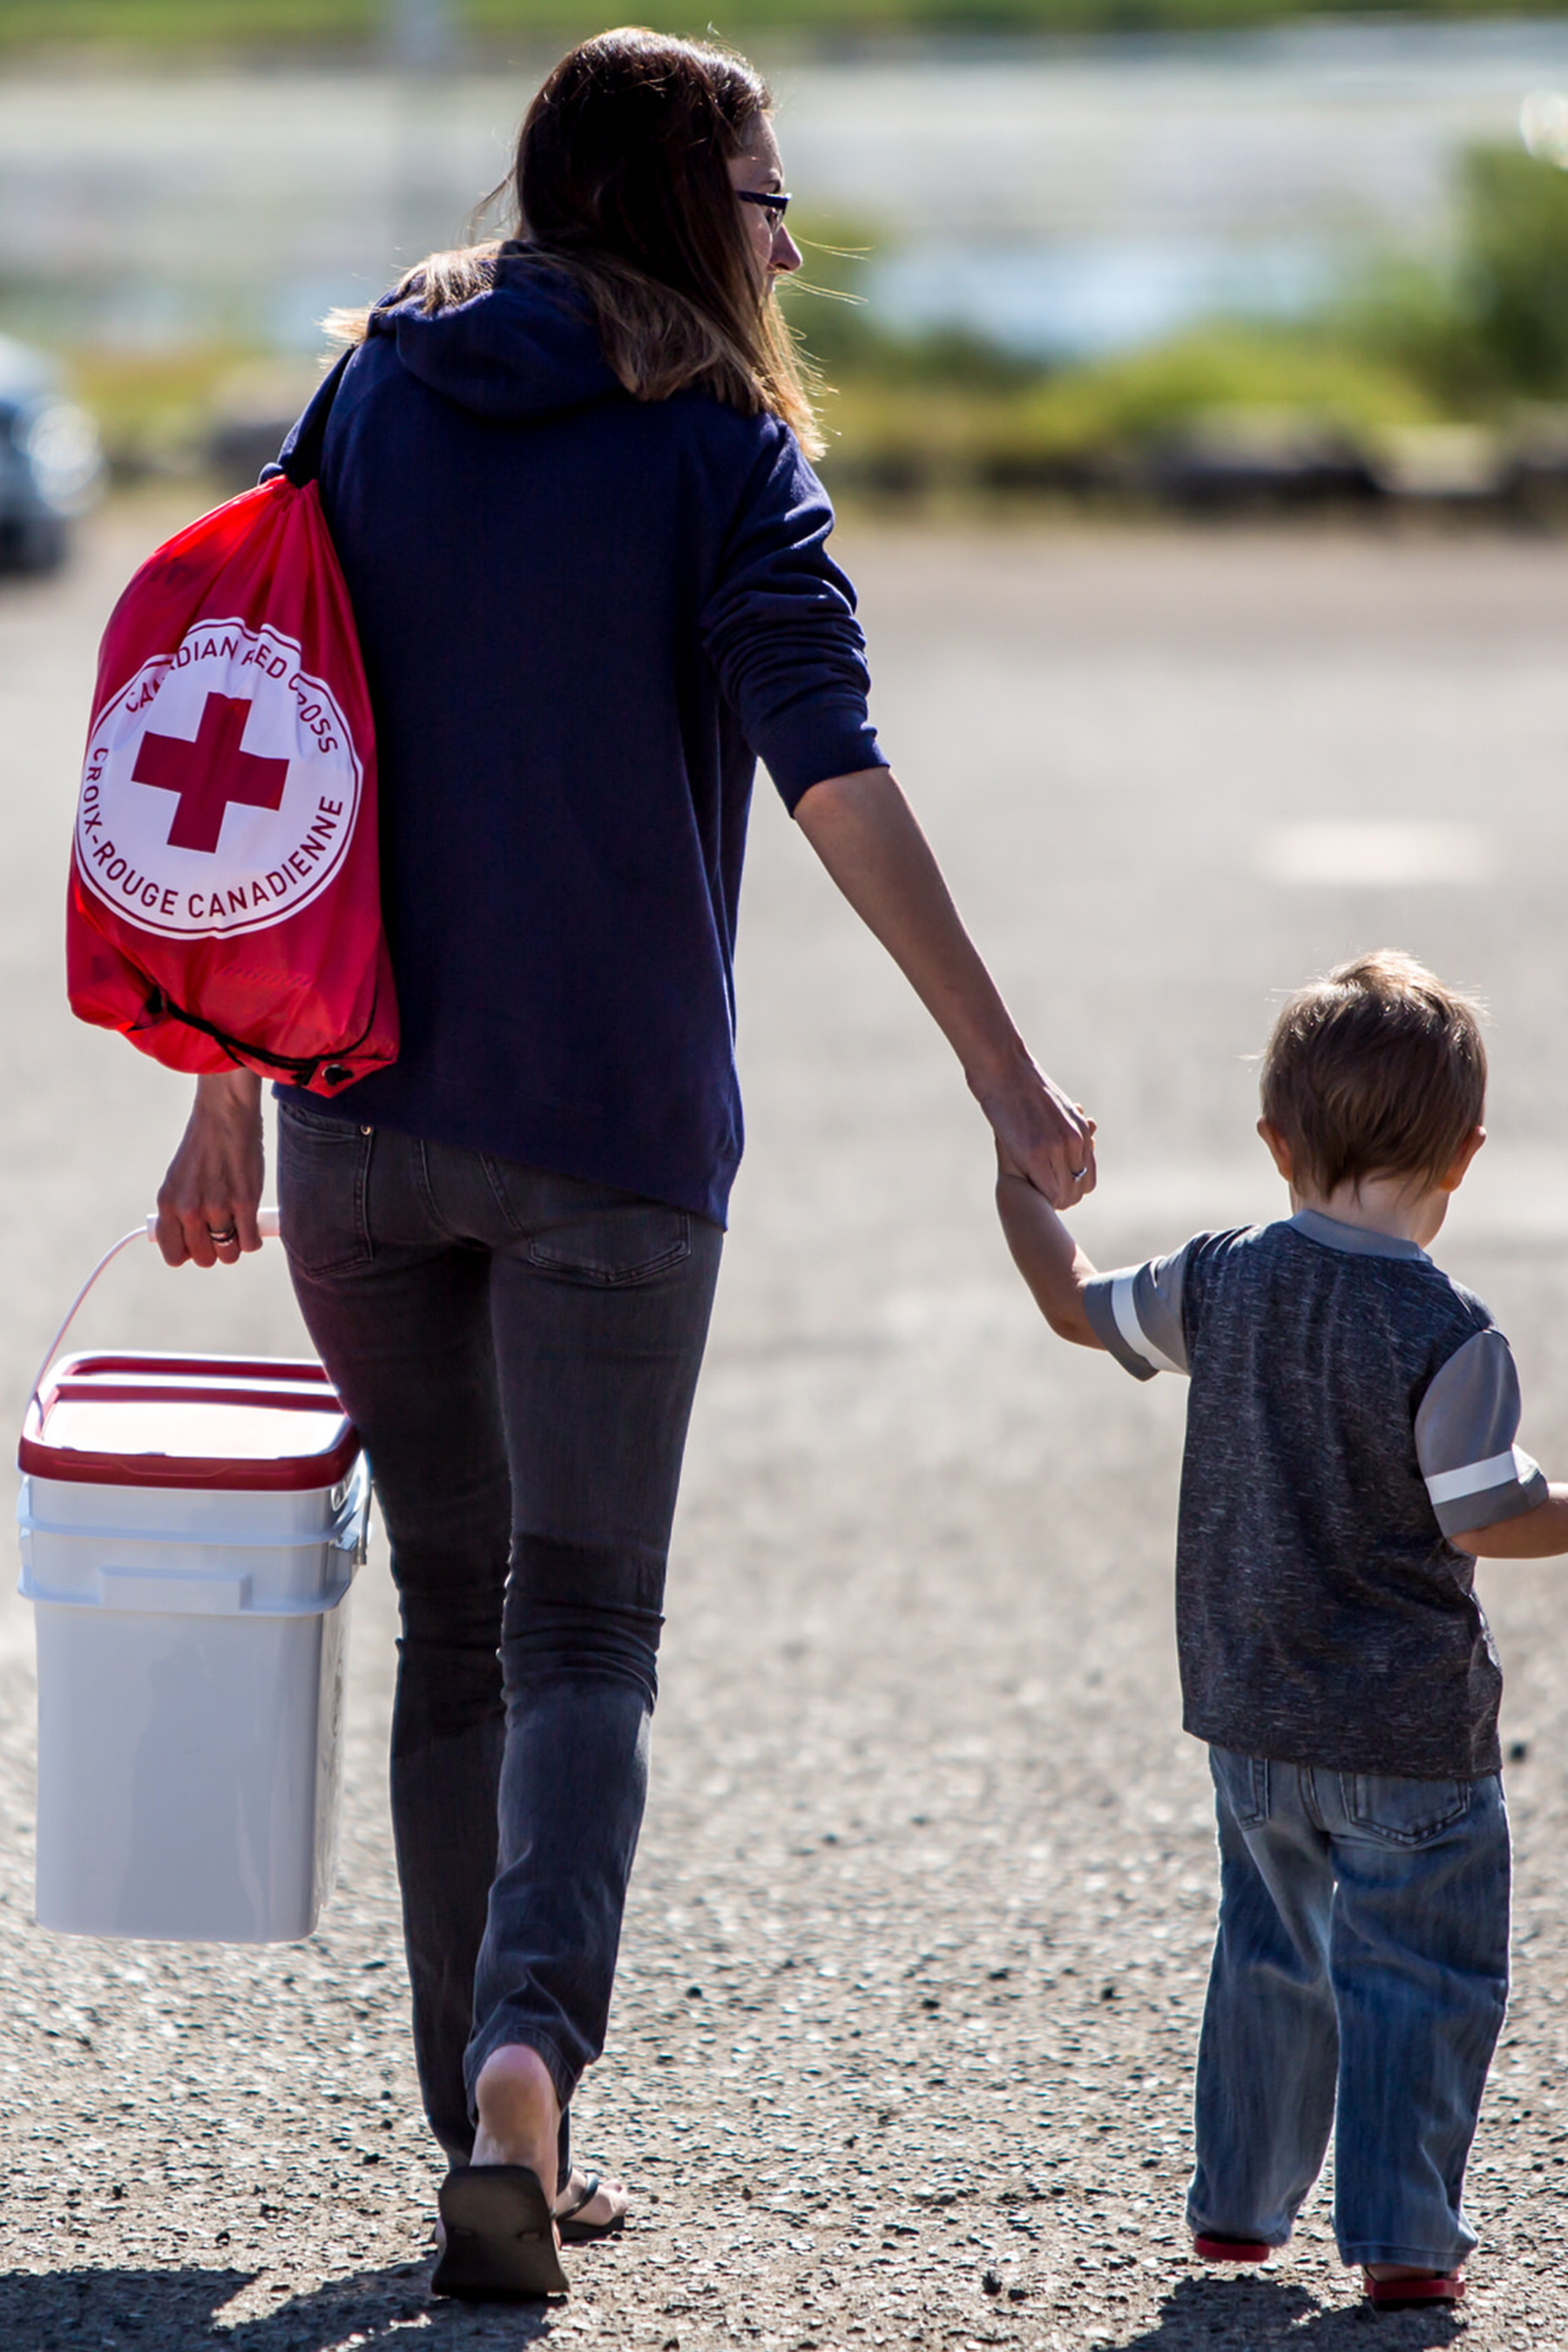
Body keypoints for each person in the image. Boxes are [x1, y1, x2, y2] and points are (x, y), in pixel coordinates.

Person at [153, 26, 1096, 2301]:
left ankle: (479, 2112)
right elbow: (832, 766)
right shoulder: (719, 445)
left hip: (354, 1120)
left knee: (456, 1626)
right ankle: (522, 2076)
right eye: (765, 194)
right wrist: (1006, 1076)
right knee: (582, 1624)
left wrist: (214, 1083)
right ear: (690, 204)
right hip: (611, 1139)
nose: (784, 236)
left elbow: (245, 719)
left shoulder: (375, 377)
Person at [995, 950, 1567, 2313]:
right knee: (1417, 1976)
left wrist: (1021, 1192)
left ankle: (1243, 2208)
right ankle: (1403, 2235)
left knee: (1271, 1954)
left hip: (1253, 1718)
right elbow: (1488, 1514)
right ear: (1467, 1157)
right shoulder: (1453, 1332)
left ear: (1273, 1142)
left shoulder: (1222, 1280)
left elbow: (1075, 1305)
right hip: (1413, 1735)